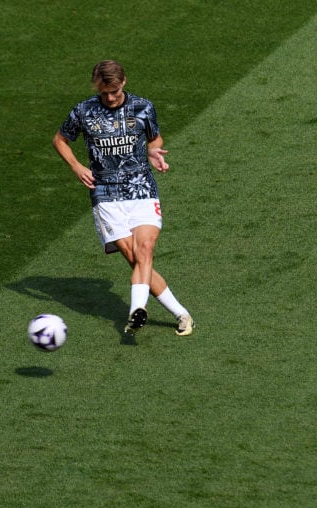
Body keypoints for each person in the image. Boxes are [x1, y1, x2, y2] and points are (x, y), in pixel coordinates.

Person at [52, 59, 194, 337]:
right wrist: (76, 166)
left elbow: (156, 139)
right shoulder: (83, 110)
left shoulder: (143, 107)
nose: (110, 98)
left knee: (145, 249)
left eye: (114, 91)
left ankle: (136, 311)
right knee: (133, 257)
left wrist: (154, 152)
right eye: (104, 93)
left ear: (124, 82)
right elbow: (60, 140)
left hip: (140, 188)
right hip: (105, 195)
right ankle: (182, 314)